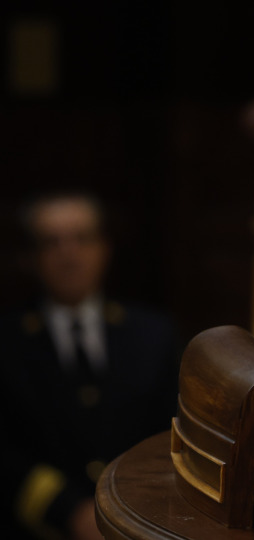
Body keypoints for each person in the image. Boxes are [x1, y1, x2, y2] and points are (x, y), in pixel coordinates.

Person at [0, 192, 178, 540]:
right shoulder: (6, 342)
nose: (69, 254)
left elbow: (168, 437)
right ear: (30, 258)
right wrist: (68, 511)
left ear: (104, 248)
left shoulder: (153, 335)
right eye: (52, 243)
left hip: (138, 524)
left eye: (82, 239)